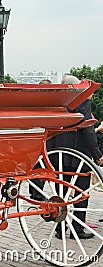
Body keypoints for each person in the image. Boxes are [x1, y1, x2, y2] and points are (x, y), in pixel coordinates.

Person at [51, 75, 103, 239]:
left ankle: (60, 228)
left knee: (62, 193)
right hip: (78, 155)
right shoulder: (82, 102)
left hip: (59, 153)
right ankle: (77, 229)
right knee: (82, 193)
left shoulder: (56, 102)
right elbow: (87, 131)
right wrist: (97, 155)